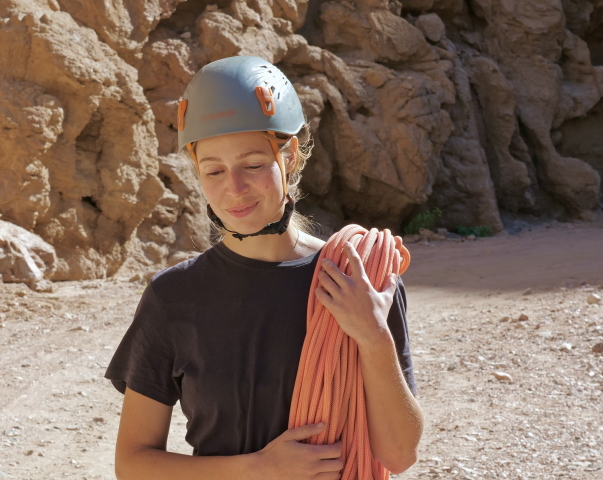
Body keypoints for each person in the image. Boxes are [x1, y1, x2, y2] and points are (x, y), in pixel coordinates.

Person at [104, 56, 424, 479]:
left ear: (288, 155)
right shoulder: (174, 298)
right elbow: (133, 464)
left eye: (253, 165)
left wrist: (373, 336)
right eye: (213, 170)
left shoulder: (358, 278)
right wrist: (258, 469)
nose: (233, 189)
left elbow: (399, 456)